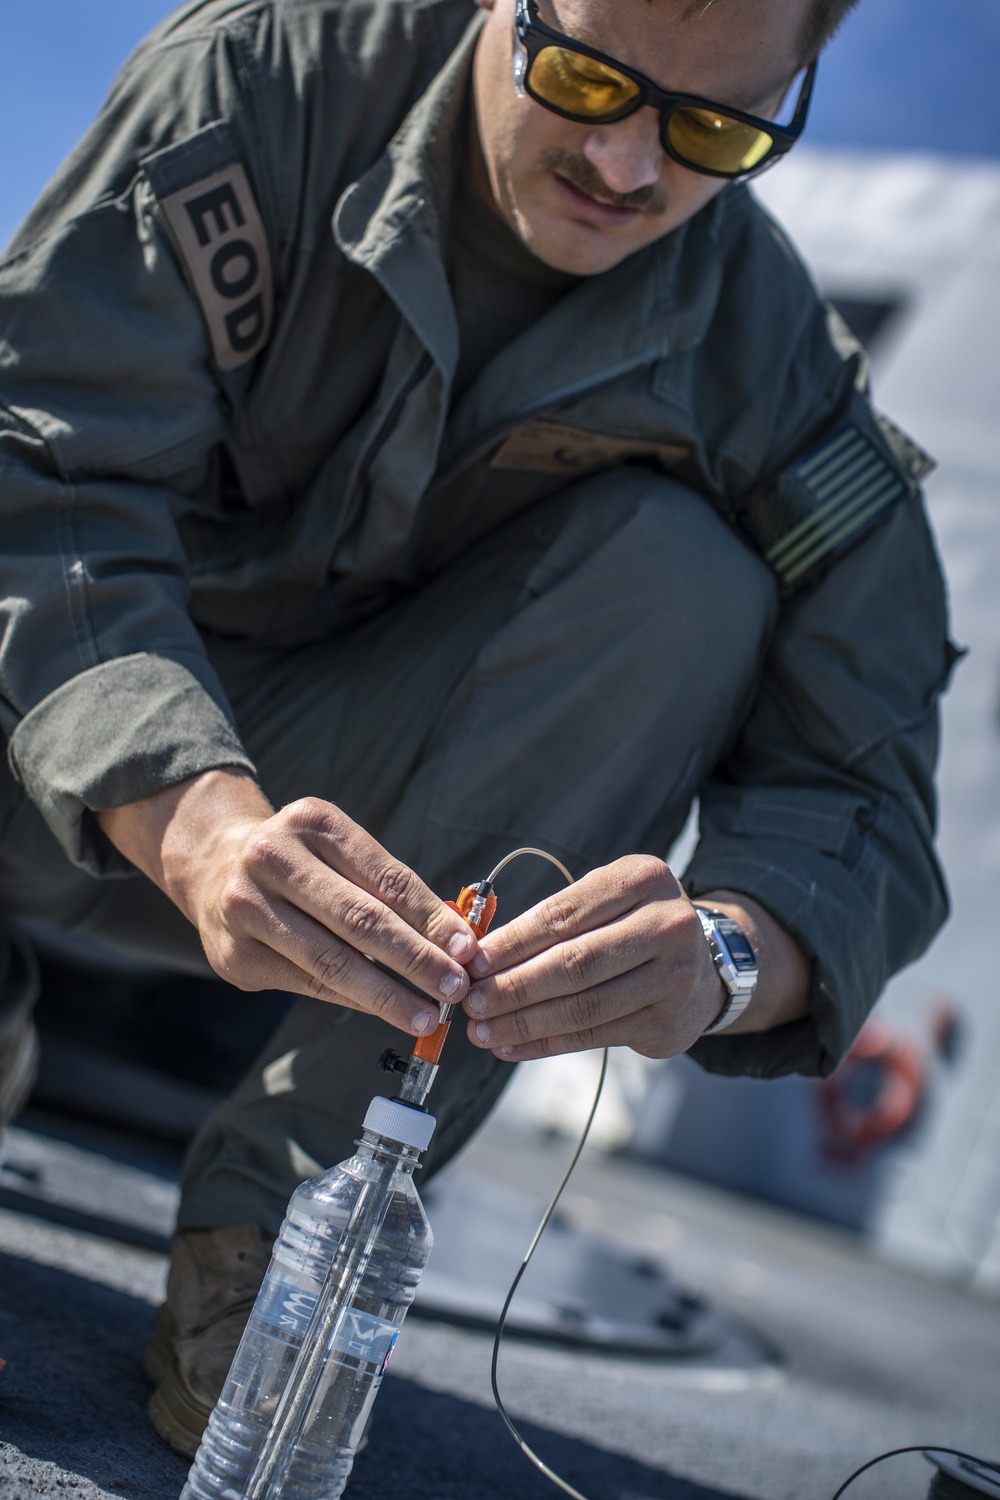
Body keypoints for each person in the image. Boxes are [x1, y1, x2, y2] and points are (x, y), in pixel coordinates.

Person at [0, 0, 954, 1456]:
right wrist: (196, 823)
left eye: (714, 130)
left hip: (359, 856)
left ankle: (279, 1252)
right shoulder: (262, 80)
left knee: (685, 579)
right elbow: (42, 471)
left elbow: (867, 780)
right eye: (584, 77)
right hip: (50, 746)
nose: (630, 167)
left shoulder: (775, 373)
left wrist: (726, 955)